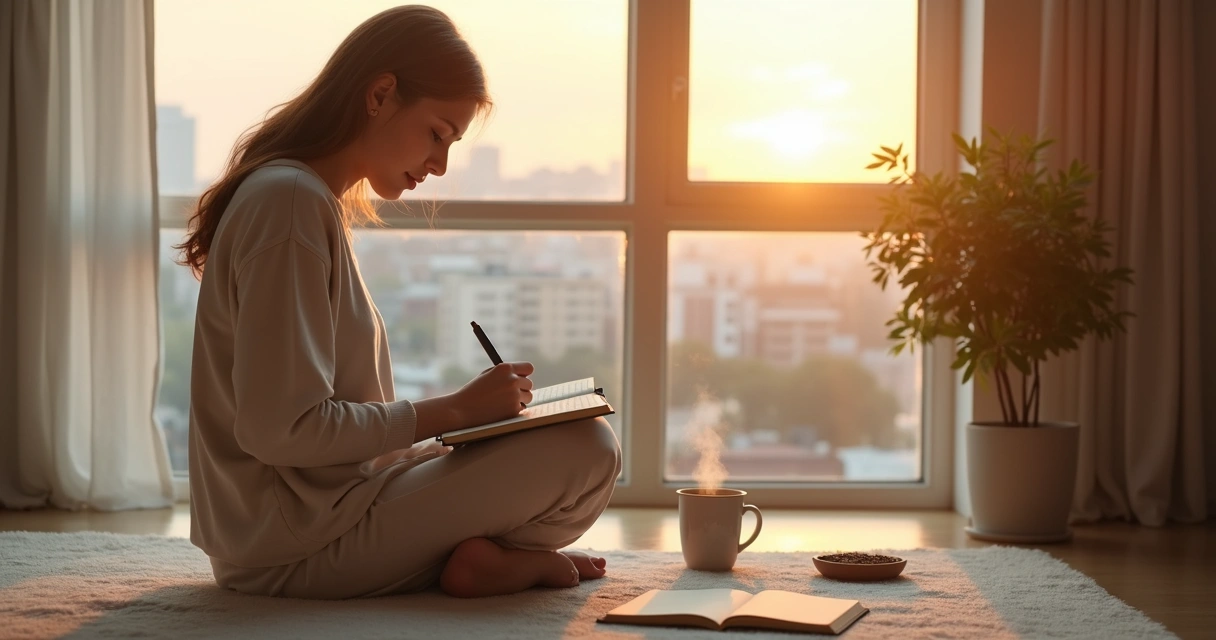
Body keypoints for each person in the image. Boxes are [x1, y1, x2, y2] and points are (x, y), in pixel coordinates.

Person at [176, 5, 621, 600]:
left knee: (579, 435)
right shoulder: (288, 203)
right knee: (587, 448)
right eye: (437, 133)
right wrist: (455, 412)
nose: (439, 165)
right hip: (293, 546)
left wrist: (449, 432)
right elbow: (281, 430)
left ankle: (482, 560)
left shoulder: (303, 199)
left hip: (318, 515)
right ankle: (496, 560)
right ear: (380, 94)